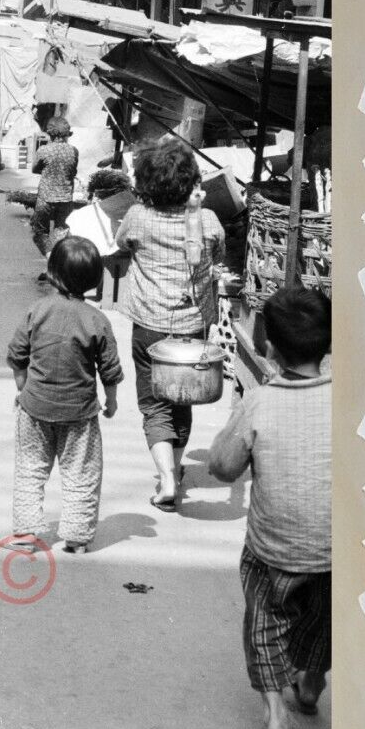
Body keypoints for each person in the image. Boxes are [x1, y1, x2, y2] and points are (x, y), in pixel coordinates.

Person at [209, 287, 331, 729]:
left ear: (268, 349)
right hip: (333, 551)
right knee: (323, 624)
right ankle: (311, 685)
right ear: (327, 347)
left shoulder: (259, 403)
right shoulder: (350, 401)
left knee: (264, 624)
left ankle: (277, 716)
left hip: (272, 551)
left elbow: (222, 466)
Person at [113, 140, 225, 512]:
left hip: (149, 326)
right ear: (191, 181)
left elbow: (121, 243)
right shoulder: (207, 220)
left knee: (155, 404)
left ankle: (165, 478)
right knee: (182, 400)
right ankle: (175, 467)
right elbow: (219, 252)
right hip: (192, 328)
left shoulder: (137, 218)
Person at [6, 237, 123, 554]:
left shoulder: (38, 311)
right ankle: (77, 536)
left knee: (31, 470)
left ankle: (26, 534)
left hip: (34, 409)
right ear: (94, 280)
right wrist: (111, 401)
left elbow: (18, 353)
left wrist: (23, 385)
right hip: (79, 415)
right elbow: (109, 368)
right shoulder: (96, 319)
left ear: (52, 273)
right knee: (81, 473)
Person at [30, 117, 80, 279]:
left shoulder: (43, 150)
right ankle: (56, 268)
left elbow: (35, 169)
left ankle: (51, 262)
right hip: (65, 199)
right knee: (60, 232)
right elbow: (73, 171)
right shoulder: (73, 151)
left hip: (45, 198)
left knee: (40, 231)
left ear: (50, 134)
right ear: (67, 134)